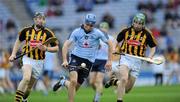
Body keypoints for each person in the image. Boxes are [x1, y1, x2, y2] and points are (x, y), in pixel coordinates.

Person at [53, 13, 113, 102]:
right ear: (84, 22)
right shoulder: (76, 32)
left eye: (91, 25)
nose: (89, 26)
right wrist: (65, 60)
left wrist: (109, 60)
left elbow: (110, 44)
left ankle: (63, 82)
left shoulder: (98, 33)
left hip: (88, 62)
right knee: (73, 81)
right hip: (75, 58)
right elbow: (65, 46)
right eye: (87, 24)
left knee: (74, 88)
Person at [104, 13, 157, 102]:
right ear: (133, 22)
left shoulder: (147, 34)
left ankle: (114, 81)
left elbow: (153, 47)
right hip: (126, 58)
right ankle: (119, 100)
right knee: (124, 78)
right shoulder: (126, 31)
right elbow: (116, 41)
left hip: (138, 61)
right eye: (136, 22)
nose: (137, 25)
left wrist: (151, 56)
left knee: (127, 89)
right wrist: (113, 48)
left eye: (140, 23)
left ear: (143, 24)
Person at [9, 12, 59, 102]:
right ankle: (16, 100)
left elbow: (56, 48)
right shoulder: (26, 30)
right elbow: (18, 41)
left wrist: (46, 48)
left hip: (39, 62)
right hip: (27, 58)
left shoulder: (48, 33)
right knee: (26, 78)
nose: (41, 20)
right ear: (35, 19)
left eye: (43, 19)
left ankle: (24, 99)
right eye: (39, 18)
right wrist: (13, 54)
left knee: (29, 88)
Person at [89, 22, 115, 102]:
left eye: (104, 28)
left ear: (107, 29)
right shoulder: (96, 37)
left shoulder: (110, 38)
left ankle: (97, 99)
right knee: (91, 82)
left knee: (99, 80)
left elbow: (112, 50)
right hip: (94, 60)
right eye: (101, 28)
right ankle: (98, 92)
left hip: (103, 61)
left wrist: (109, 60)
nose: (103, 29)